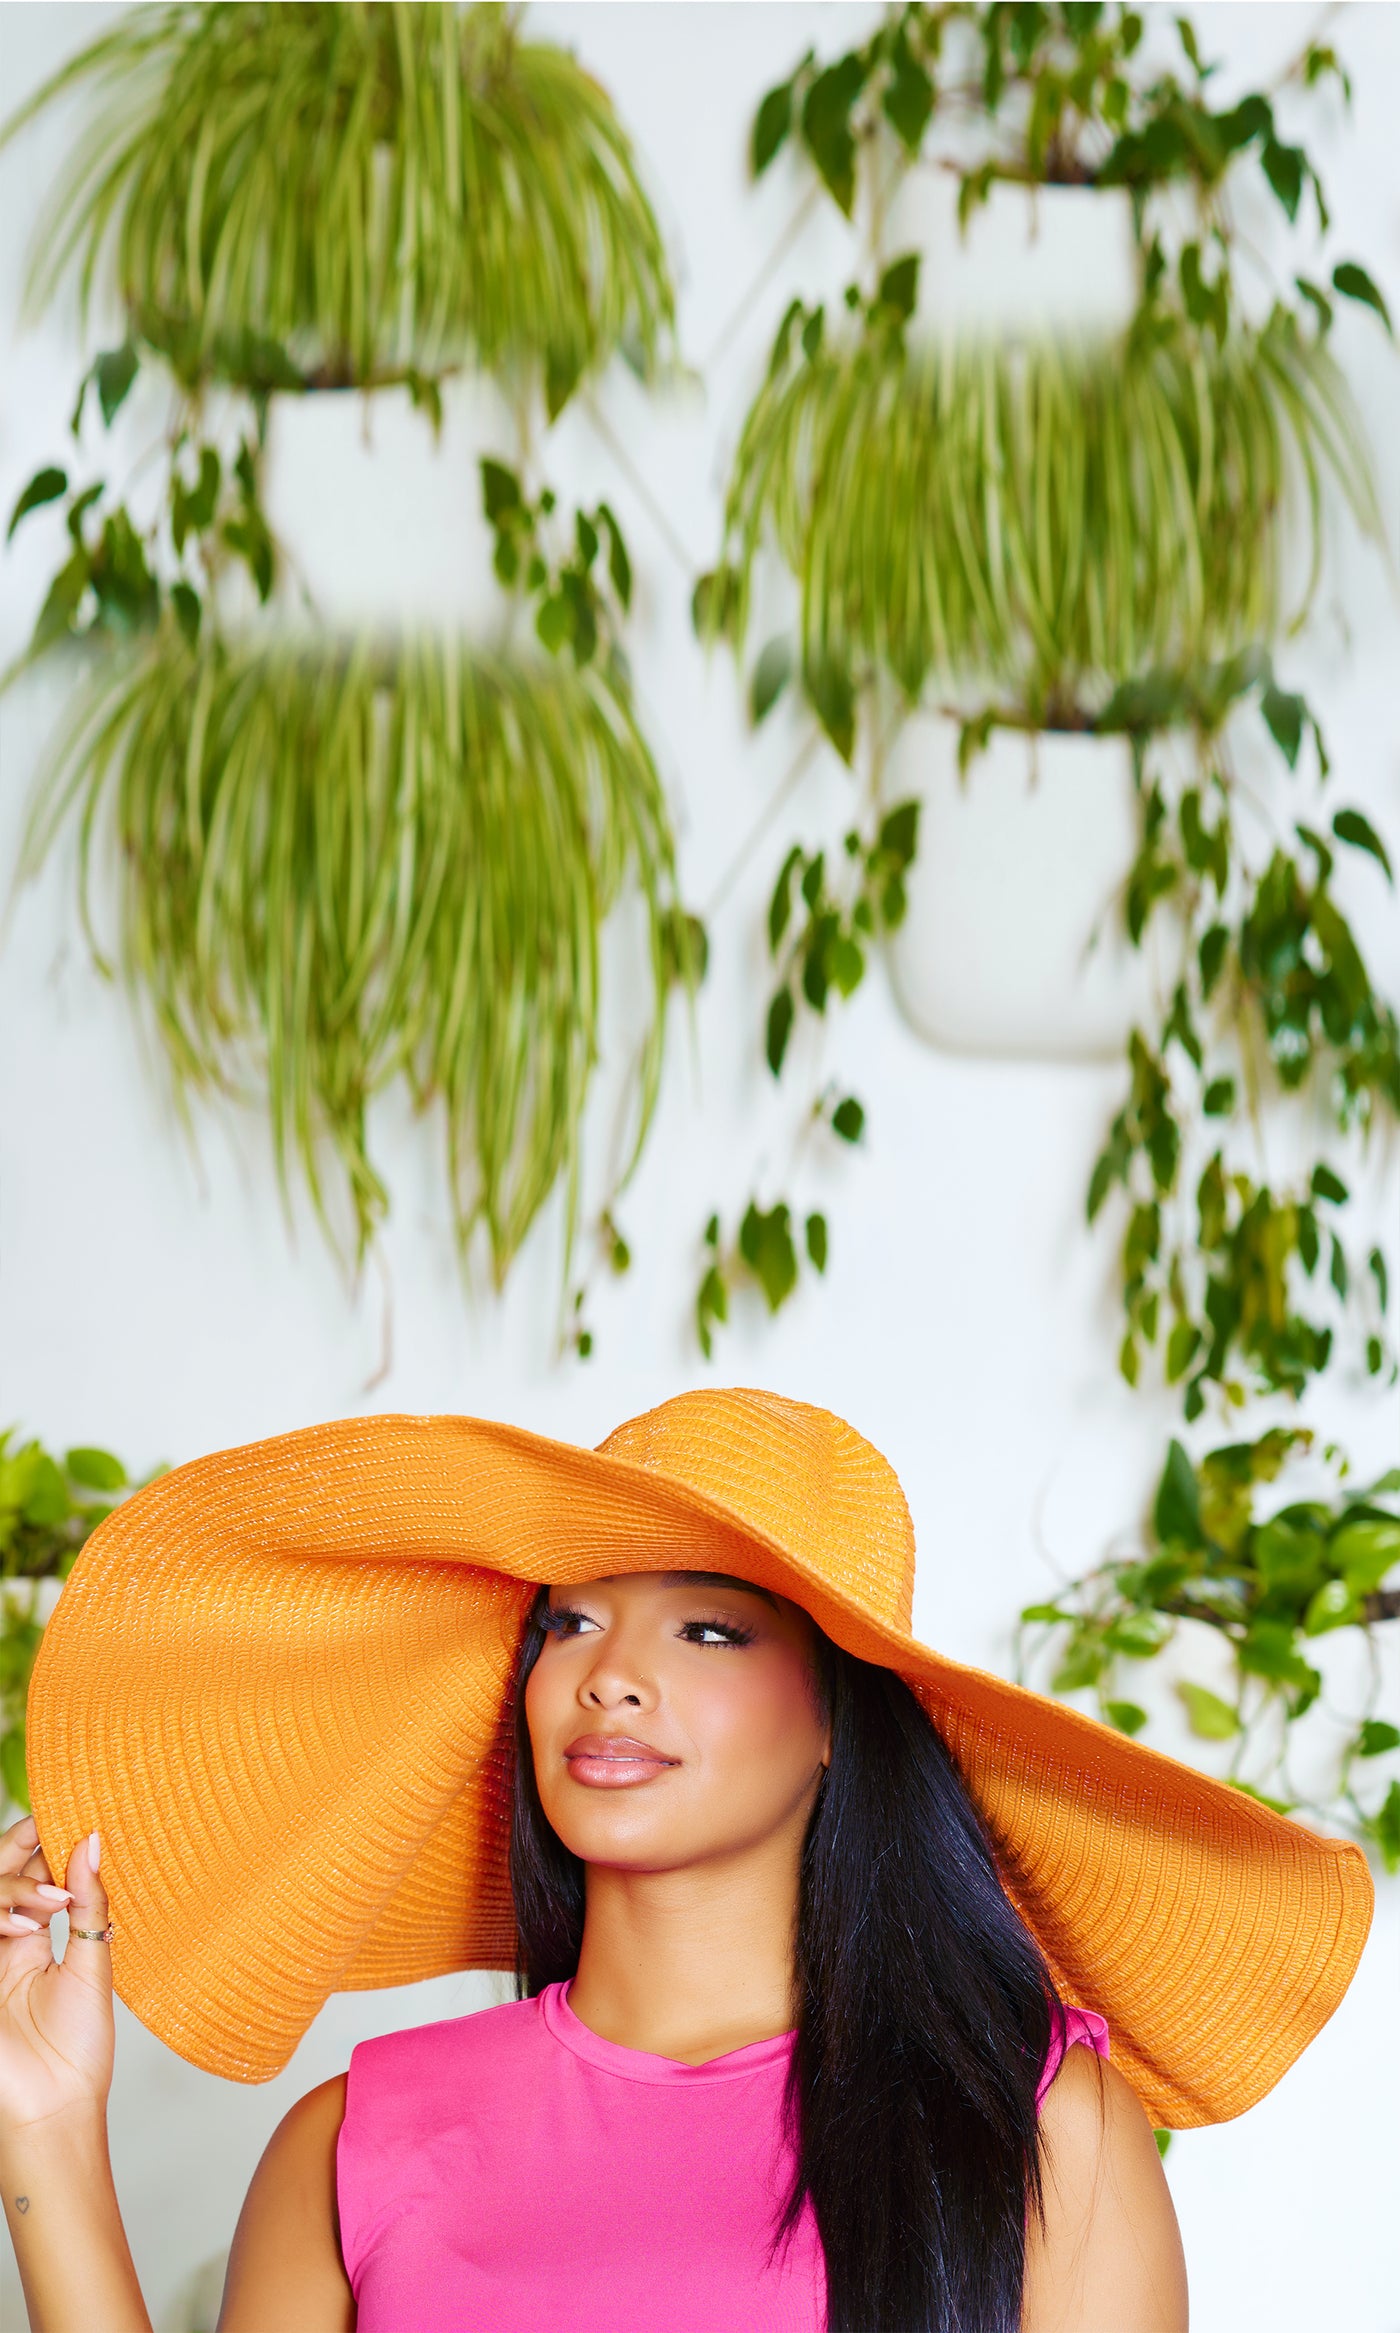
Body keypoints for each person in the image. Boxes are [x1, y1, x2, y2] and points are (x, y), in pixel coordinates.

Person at [0, 1390, 1373, 2331]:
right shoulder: (352, 2139)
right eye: (572, 1624)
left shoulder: (1037, 2126)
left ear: (839, 1713)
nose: (611, 1680)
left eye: (707, 1630)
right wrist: (48, 2134)